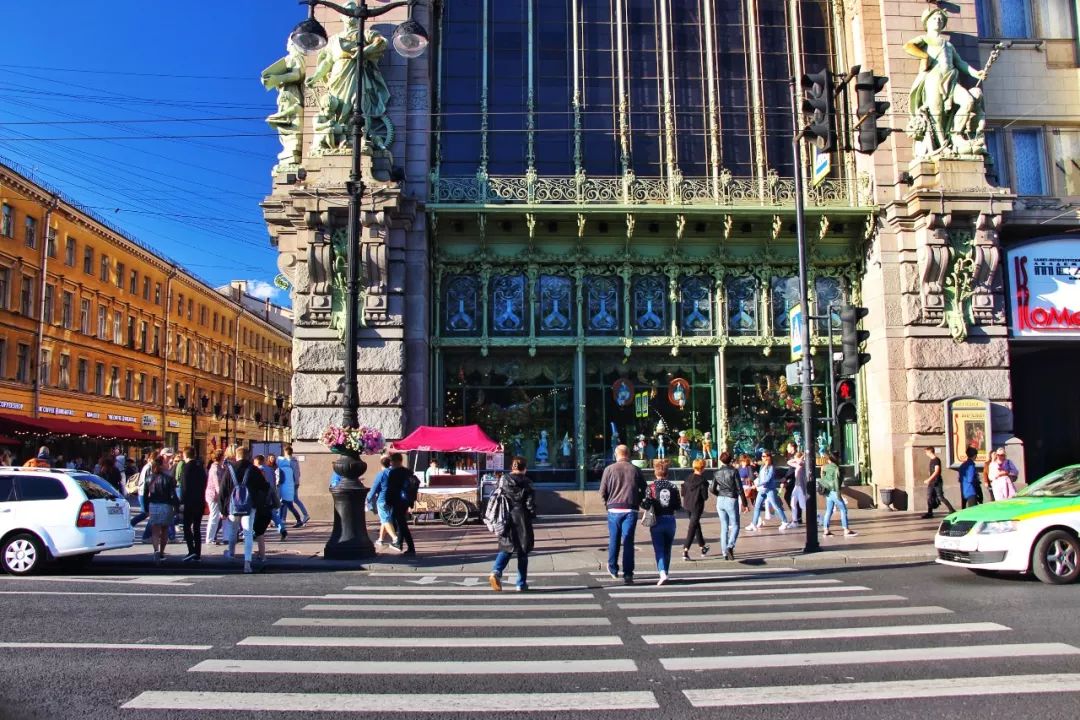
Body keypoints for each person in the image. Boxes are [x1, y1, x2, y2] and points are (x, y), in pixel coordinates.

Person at [599, 444, 647, 584]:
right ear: (628, 454)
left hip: (614, 509)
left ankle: (613, 568)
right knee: (628, 541)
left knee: (614, 539)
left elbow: (602, 491)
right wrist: (639, 502)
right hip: (631, 509)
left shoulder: (609, 469)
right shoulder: (636, 470)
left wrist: (607, 505)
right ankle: (628, 574)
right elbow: (645, 490)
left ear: (616, 454)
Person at [488, 456, 536, 592]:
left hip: (505, 517)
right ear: (524, 469)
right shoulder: (527, 483)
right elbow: (530, 505)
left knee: (506, 547)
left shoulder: (503, 480)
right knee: (523, 551)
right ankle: (521, 584)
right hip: (522, 518)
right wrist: (533, 514)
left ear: (512, 467)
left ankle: (496, 571)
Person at [642, 459, 682, 586]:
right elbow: (678, 505)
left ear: (655, 472)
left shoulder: (651, 487)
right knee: (667, 548)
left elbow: (646, 504)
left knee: (658, 548)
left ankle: (662, 572)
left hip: (657, 520)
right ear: (667, 473)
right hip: (670, 519)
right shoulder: (673, 487)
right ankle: (666, 572)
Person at [226, 447, 262, 573]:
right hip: (249, 506)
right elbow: (264, 486)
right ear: (248, 456)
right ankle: (247, 562)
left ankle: (231, 554)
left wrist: (222, 508)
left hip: (233, 506)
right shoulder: (253, 469)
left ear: (237, 455)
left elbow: (223, 489)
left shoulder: (230, 469)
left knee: (232, 531)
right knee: (248, 533)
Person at [710, 451, 747, 560]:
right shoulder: (734, 471)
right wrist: (745, 503)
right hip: (731, 499)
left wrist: (719, 494)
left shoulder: (717, 473)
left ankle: (724, 552)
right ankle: (730, 546)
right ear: (730, 460)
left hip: (720, 500)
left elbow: (712, 488)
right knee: (735, 525)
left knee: (724, 527)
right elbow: (740, 488)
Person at [142, 456, 178, 564]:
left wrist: (146, 508)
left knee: (155, 530)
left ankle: (155, 550)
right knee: (165, 530)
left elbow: (144, 495)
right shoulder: (168, 478)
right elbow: (172, 495)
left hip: (153, 505)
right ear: (162, 465)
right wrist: (176, 506)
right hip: (166, 505)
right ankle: (162, 552)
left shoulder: (149, 478)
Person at [747, 451, 790, 531]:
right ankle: (753, 524)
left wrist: (757, 485)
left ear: (768, 457)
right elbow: (760, 477)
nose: (762, 458)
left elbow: (767, 479)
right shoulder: (762, 466)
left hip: (770, 489)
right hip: (762, 490)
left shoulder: (771, 467)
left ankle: (785, 522)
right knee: (757, 506)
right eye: (762, 456)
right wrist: (757, 483)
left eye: (764, 456)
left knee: (776, 506)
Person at [179, 447, 207, 562]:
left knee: (186, 526)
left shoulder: (186, 468)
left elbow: (184, 486)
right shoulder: (200, 467)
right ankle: (198, 553)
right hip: (200, 500)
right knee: (196, 527)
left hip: (190, 501)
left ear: (185, 455)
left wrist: (182, 501)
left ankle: (191, 550)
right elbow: (205, 482)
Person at [366, 456, 400, 549]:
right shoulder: (394, 473)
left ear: (381, 464)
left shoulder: (381, 474)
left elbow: (374, 487)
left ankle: (395, 539)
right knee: (385, 519)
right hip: (391, 499)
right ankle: (380, 539)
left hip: (382, 499)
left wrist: (368, 498)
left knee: (385, 520)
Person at [820, 453, 857, 537]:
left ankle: (826, 530)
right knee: (843, 510)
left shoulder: (825, 467)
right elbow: (836, 482)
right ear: (837, 459)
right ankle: (846, 530)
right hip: (834, 491)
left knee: (829, 510)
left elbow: (822, 478)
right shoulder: (836, 468)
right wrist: (838, 493)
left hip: (827, 492)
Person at [386, 453, 416, 555]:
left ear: (395, 461)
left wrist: (388, 501)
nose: (390, 463)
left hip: (397, 501)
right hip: (406, 501)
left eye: (391, 461)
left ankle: (410, 547)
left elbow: (390, 489)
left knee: (401, 524)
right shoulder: (408, 472)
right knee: (401, 521)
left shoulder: (393, 473)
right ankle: (399, 543)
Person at [680, 459, 710, 561]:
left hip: (687, 505)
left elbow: (683, 493)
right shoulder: (703, 481)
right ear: (703, 468)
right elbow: (705, 497)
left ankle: (702, 546)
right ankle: (685, 550)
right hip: (697, 506)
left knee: (696, 525)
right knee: (692, 527)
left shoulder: (687, 478)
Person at [280, 446, 310, 525]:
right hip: (296, 483)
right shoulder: (295, 461)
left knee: (285, 500)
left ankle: (283, 519)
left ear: (285, 452)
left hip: (289, 483)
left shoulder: (287, 461)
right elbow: (298, 473)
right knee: (295, 500)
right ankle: (305, 514)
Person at [922, 446, 955, 518]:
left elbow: (937, 471)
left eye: (926, 452)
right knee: (929, 496)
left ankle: (952, 510)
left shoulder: (936, 460)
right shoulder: (931, 460)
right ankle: (930, 513)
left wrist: (929, 479)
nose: (926, 454)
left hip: (937, 482)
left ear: (930, 452)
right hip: (932, 482)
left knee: (940, 497)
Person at [205, 450, 229, 546]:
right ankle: (209, 539)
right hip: (214, 496)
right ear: (221, 457)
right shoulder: (214, 469)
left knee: (224, 516)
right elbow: (217, 484)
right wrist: (222, 496)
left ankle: (226, 537)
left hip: (217, 495)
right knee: (214, 516)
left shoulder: (219, 467)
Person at [788, 451, 808, 526]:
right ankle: (794, 521)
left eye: (796, 458)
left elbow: (801, 462)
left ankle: (818, 517)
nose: (795, 459)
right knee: (792, 503)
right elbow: (789, 462)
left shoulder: (803, 464)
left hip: (801, 486)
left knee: (803, 505)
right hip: (796, 486)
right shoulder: (798, 465)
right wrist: (796, 459)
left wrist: (801, 458)